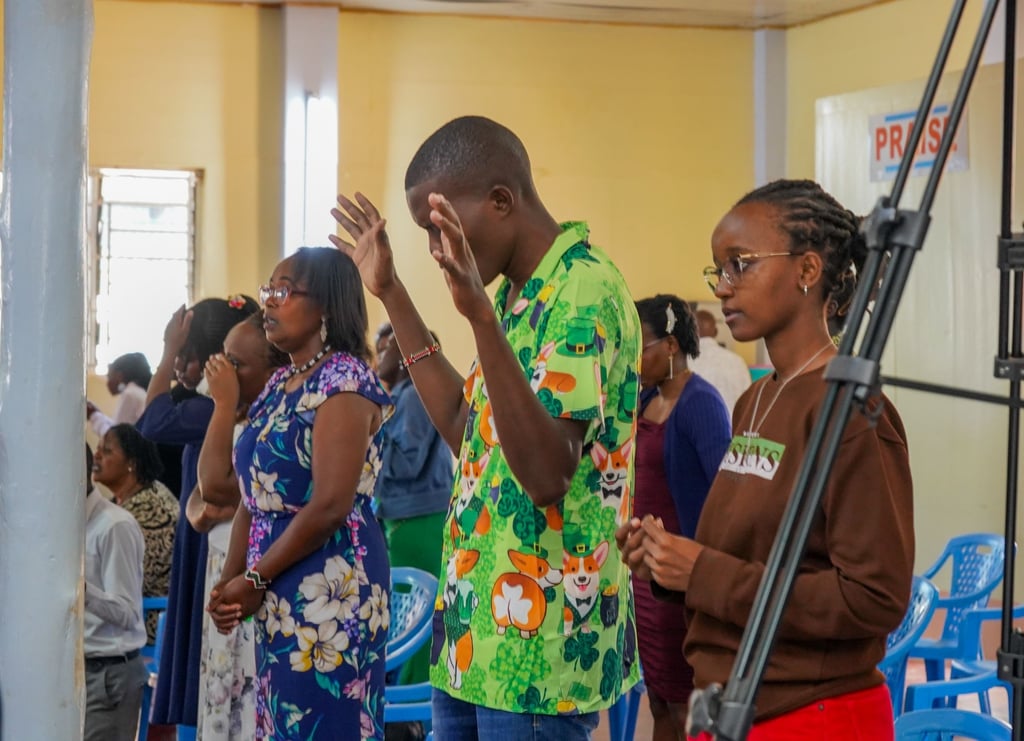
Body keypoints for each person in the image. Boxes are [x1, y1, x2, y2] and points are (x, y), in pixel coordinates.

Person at [331, 115, 642, 740]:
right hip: (474, 633)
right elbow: (463, 426)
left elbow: (547, 475)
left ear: (501, 200)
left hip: (539, 649)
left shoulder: (581, 291)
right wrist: (391, 293)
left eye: (440, 224)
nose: (436, 248)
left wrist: (481, 320)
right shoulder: (517, 294)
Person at [618, 179, 914, 740]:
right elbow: (747, 558)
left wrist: (702, 571)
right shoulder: (754, 400)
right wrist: (668, 563)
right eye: (718, 270)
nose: (722, 288)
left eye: (741, 264)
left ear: (807, 270)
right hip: (732, 703)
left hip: (812, 712)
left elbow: (873, 598)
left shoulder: (852, 412)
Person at [207, 247, 392, 740]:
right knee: (284, 722)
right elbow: (253, 495)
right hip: (277, 582)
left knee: (324, 723)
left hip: (331, 582)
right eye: (268, 289)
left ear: (326, 306)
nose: (268, 301)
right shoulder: (281, 384)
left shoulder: (345, 382)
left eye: (284, 291)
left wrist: (255, 577)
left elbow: (330, 505)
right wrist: (231, 581)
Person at [136, 295, 260, 736]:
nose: (180, 368)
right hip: (203, 536)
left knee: (211, 656)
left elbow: (151, 423)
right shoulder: (211, 403)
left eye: (188, 358)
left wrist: (167, 347)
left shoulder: (214, 407)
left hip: (220, 547)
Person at [632, 295, 731, 740]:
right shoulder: (645, 398)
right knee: (657, 697)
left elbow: (724, 496)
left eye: (640, 346)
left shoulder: (701, 403)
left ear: (671, 345)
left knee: (680, 701)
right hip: (645, 577)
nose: (634, 357)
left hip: (678, 579)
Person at [189, 310, 289, 740]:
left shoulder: (267, 424)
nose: (224, 372)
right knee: (222, 700)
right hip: (224, 568)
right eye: (223, 358)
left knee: (249, 707)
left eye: (237, 364)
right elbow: (198, 502)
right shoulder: (243, 423)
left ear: (274, 372)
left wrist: (223, 404)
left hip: (257, 574)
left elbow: (213, 486)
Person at [373, 321, 453, 687]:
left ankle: (414, 698)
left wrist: (370, 438)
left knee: (418, 617)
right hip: (409, 516)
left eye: (385, 348)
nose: (378, 356)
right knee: (410, 612)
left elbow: (407, 462)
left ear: (407, 356)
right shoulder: (402, 396)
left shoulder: (413, 395)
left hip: (418, 517)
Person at [84, 442, 149, 741]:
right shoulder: (60, 527)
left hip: (108, 675)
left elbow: (127, 613)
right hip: (73, 669)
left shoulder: (114, 526)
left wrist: (79, 589)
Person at [92, 423, 179, 643]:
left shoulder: (153, 509)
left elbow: (134, 583)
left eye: (106, 451)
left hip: (148, 620)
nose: (96, 455)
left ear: (131, 463)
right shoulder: (123, 501)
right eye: (98, 448)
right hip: (119, 612)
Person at [687, 309, 751, 415]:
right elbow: (749, 402)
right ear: (716, 332)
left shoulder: (682, 364)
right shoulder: (737, 362)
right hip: (732, 424)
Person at [87, 352, 152, 437]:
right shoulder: (138, 392)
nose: (107, 383)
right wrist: (98, 413)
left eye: (109, 377)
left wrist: (94, 415)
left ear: (119, 376)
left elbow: (117, 438)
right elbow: (118, 427)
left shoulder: (130, 394)